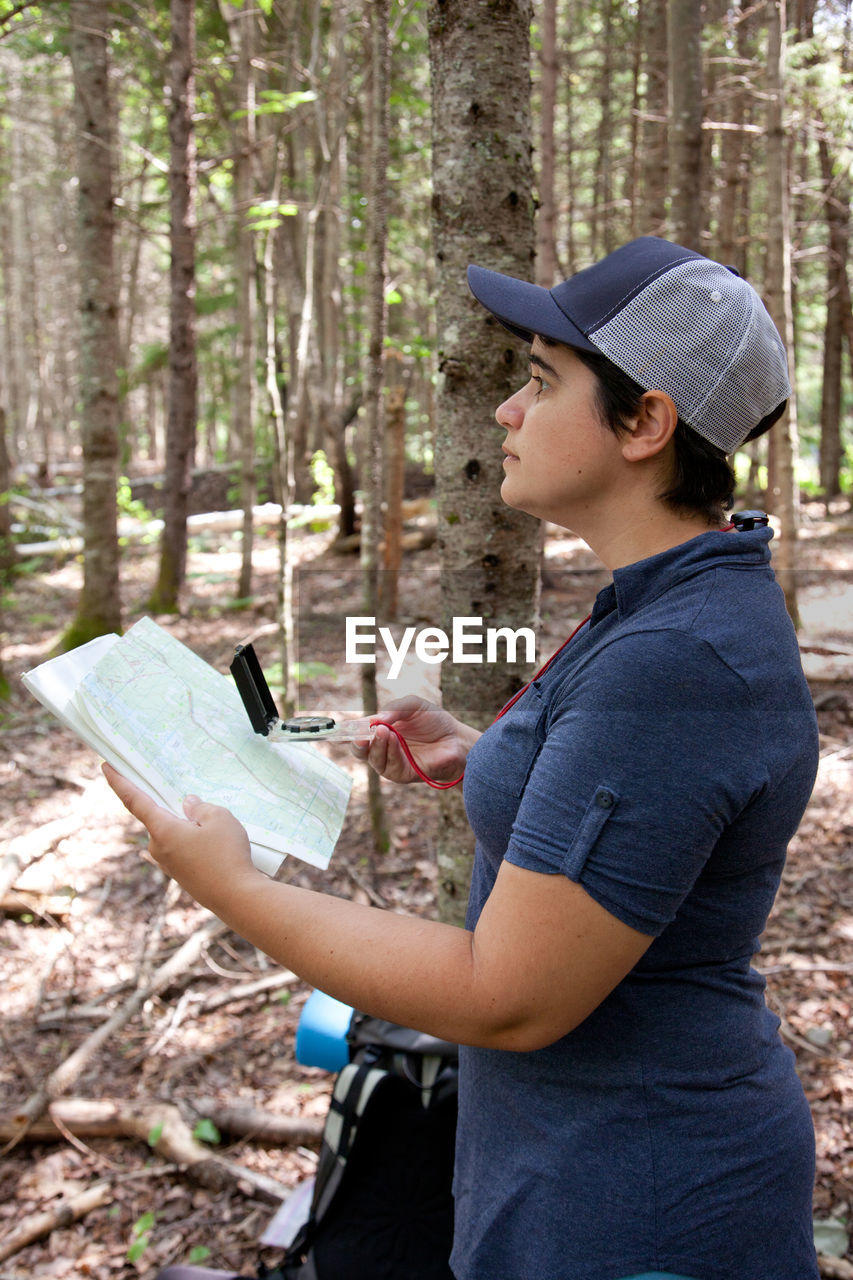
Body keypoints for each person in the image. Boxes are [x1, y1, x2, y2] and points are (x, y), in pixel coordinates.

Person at [103, 236, 820, 1280]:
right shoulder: (668, 602)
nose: (505, 412)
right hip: (575, 1167)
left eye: (540, 380)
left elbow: (506, 993)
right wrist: (488, 761)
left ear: (646, 422)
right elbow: (647, 807)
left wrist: (232, 886)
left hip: (640, 1208)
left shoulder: (678, 656)